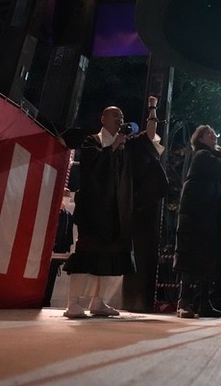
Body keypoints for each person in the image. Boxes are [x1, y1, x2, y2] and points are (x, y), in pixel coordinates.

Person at [62, 96, 166, 318]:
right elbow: (92, 168)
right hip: (94, 209)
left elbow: (149, 137)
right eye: (115, 114)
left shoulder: (127, 144)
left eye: (121, 116)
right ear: (103, 118)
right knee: (86, 253)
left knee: (109, 256)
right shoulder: (92, 141)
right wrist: (113, 146)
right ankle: (73, 303)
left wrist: (152, 108)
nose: (120, 119)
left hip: (116, 209)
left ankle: (98, 302)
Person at [173, 125, 221, 318]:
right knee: (191, 258)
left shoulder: (210, 161)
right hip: (196, 216)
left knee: (208, 260)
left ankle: (203, 302)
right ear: (199, 138)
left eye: (214, 133)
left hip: (208, 217)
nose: (213, 135)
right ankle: (184, 301)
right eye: (208, 133)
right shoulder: (202, 156)